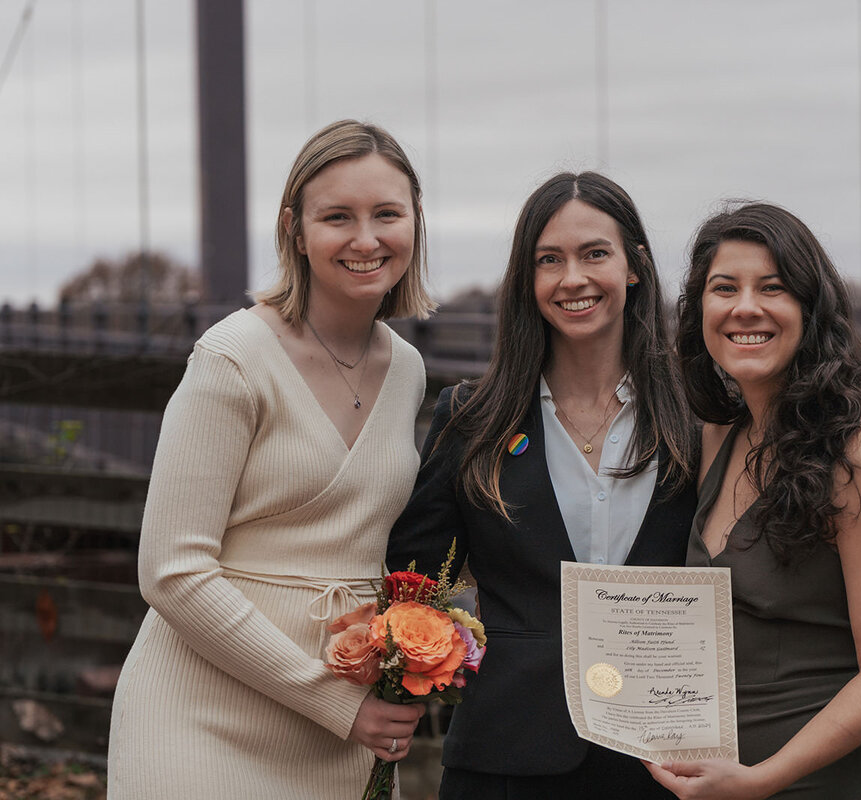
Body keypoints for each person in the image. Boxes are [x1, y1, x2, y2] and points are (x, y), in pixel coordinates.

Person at [107, 120, 435, 798]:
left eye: (387, 214)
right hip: (200, 722)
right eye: (337, 216)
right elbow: (171, 571)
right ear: (294, 227)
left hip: (344, 737)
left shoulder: (407, 370)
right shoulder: (232, 360)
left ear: (415, 222)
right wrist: (336, 703)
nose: (366, 238)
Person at [387, 171, 696, 799]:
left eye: (594, 254)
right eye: (548, 260)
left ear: (634, 266)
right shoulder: (473, 418)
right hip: (506, 759)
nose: (572, 278)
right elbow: (414, 583)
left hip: (668, 762)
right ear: (526, 281)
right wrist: (414, 678)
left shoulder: (700, 419)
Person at [645, 203, 861, 799]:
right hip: (731, 783)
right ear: (699, 311)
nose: (745, 308)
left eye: (773, 288)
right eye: (724, 288)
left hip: (844, 782)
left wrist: (760, 781)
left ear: (810, 309)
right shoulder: (715, 437)